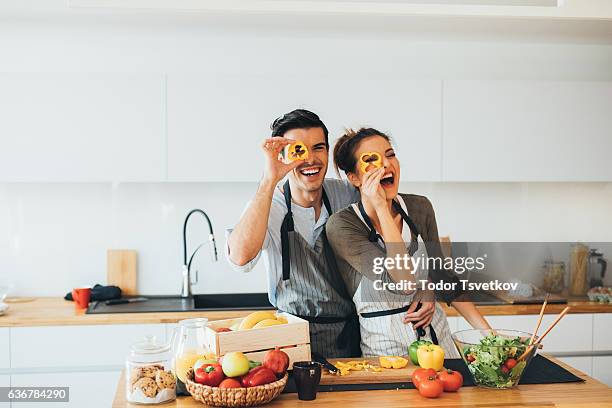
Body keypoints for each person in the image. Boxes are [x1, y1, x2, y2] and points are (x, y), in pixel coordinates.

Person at [225, 110, 436, 358]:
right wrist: (269, 180)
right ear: (282, 156)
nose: (311, 160)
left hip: (348, 335)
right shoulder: (267, 205)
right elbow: (240, 259)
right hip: (290, 338)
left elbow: (406, 226)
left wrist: (428, 285)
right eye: (298, 151)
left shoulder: (347, 194)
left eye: (318, 148)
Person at [326, 127, 491, 357]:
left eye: (390, 154)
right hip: (385, 351)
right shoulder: (342, 226)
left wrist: (491, 336)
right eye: (372, 160)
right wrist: (382, 206)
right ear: (354, 178)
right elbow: (402, 283)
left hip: (438, 342)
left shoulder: (419, 207)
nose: (386, 165)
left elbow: (443, 275)